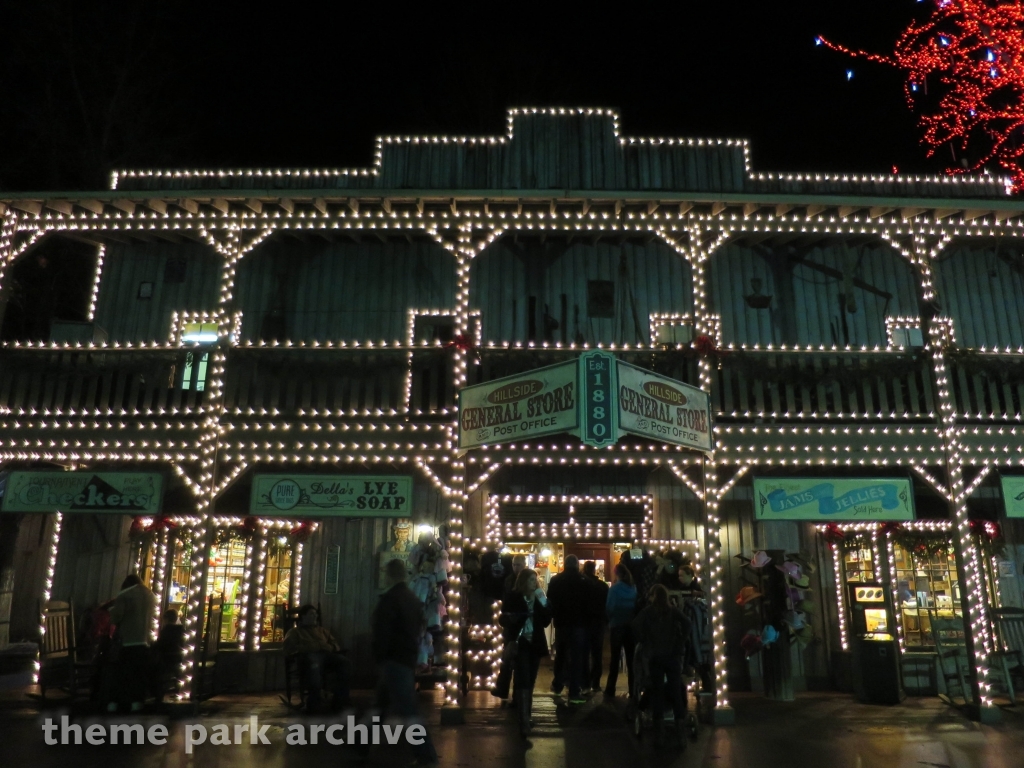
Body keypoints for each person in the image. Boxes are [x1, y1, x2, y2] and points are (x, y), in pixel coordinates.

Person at [371, 557, 438, 766]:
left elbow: (383, 631)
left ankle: (427, 754)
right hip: (406, 657)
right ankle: (359, 744)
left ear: (389, 574)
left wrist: (379, 656)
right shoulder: (411, 598)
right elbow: (419, 627)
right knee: (381, 706)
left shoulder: (390, 599)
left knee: (407, 709)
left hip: (393, 658)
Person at [632, 584, 691, 745]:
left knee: (657, 691)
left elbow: (635, 625)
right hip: (672, 656)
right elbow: (687, 623)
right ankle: (680, 729)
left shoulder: (648, 612)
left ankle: (660, 731)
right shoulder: (672, 611)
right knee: (675, 689)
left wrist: (645, 641)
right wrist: (680, 642)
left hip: (655, 656)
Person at [499, 568, 551, 740]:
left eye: (534, 580)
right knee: (522, 678)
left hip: (534, 643)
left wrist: (543, 602)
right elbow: (503, 618)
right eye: (530, 580)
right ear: (523, 581)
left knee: (530, 679)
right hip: (520, 642)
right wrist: (516, 617)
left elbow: (545, 621)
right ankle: (523, 720)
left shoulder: (538, 597)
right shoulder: (514, 596)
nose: (533, 583)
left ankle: (527, 716)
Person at [283, 604, 350, 712]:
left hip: (326, 656)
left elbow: (335, 644)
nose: (315, 617)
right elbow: (289, 649)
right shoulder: (295, 632)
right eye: (311, 614)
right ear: (303, 617)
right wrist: (313, 647)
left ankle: (339, 700)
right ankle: (314, 701)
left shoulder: (322, 631)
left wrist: (330, 647)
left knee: (344, 662)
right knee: (314, 664)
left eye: (316, 614)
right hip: (308, 658)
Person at [106, 573, 157, 712]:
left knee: (120, 673)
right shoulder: (150, 595)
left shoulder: (125, 595)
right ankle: (136, 703)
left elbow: (116, 618)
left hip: (127, 641)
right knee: (138, 675)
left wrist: (110, 610)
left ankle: (114, 702)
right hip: (144, 641)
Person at [546, 554, 590, 703]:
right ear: (577, 565)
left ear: (564, 564)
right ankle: (574, 690)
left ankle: (557, 685)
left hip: (561, 622)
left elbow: (549, 600)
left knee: (561, 654)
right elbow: (588, 604)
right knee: (577, 657)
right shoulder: (584, 581)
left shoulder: (556, 580)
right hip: (579, 623)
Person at [492, 554, 528, 703]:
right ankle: (505, 689)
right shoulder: (509, 581)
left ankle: (510, 691)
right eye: (514, 565)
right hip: (513, 627)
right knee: (507, 659)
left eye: (518, 565)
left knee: (513, 661)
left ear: (524, 565)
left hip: (520, 627)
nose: (516, 568)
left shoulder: (522, 581)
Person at [604, 563, 637, 699]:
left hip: (617, 625)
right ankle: (633, 689)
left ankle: (610, 689)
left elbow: (609, 607)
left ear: (616, 574)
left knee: (615, 659)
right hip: (630, 626)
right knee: (631, 660)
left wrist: (610, 620)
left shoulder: (615, 589)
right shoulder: (633, 587)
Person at [582, 561, 609, 693]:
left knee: (584, 653)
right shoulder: (603, 586)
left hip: (584, 622)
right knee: (597, 654)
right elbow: (607, 604)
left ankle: (585, 683)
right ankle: (596, 683)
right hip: (599, 622)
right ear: (594, 570)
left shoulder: (581, 585)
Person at [151, 608, 185, 702]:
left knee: (158, 673)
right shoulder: (181, 629)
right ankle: (177, 691)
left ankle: (159, 695)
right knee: (178, 674)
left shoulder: (165, 630)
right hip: (179, 657)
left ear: (166, 619)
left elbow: (161, 644)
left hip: (166, 657)